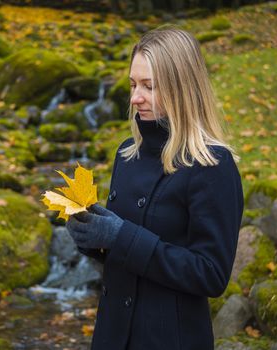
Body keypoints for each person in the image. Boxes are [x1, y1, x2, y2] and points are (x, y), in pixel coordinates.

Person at [66, 26, 244, 350]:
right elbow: (127, 254)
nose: (135, 98)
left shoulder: (212, 166)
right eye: (134, 84)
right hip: (111, 335)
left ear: (182, 89)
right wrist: (94, 238)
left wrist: (120, 236)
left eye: (149, 86)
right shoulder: (127, 153)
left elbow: (211, 274)